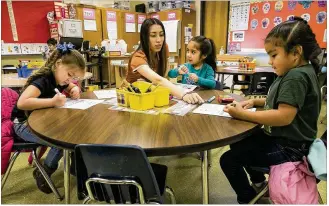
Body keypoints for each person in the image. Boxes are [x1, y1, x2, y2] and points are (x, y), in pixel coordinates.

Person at [220, 16, 322, 204]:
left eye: (274, 55)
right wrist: (255, 102)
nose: (270, 61)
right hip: (289, 142)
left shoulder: (295, 77)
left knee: (228, 160)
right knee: (239, 141)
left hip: (289, 148)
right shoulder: (298, 71)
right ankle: (259, 184)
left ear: (296, 52)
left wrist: (242, 114)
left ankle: (248, 198)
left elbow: (284, 116)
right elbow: (283, 101)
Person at [11, 43, 86, 194]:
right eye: (70, 75)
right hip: (23, 124)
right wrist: (53, 102)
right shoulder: (42, 80)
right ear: (58, 64)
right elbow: (22, 102)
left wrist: (75, 88)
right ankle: (44, 172)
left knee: (74, 131)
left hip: (41, 120)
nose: (70, 79)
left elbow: (70, 85)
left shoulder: (58, 77)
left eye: (75, 77)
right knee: (60, 141)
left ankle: (74, 167)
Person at [125, 18, 204, 104]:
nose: (159, 40)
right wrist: (184, 94)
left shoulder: (163, 48)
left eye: (161, 35)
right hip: (134, 99)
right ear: (145, 37)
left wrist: (177, 71)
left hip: (153, 95)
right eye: (153, 35)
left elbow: (164, 76)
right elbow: (158, 80)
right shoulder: (137, 57)